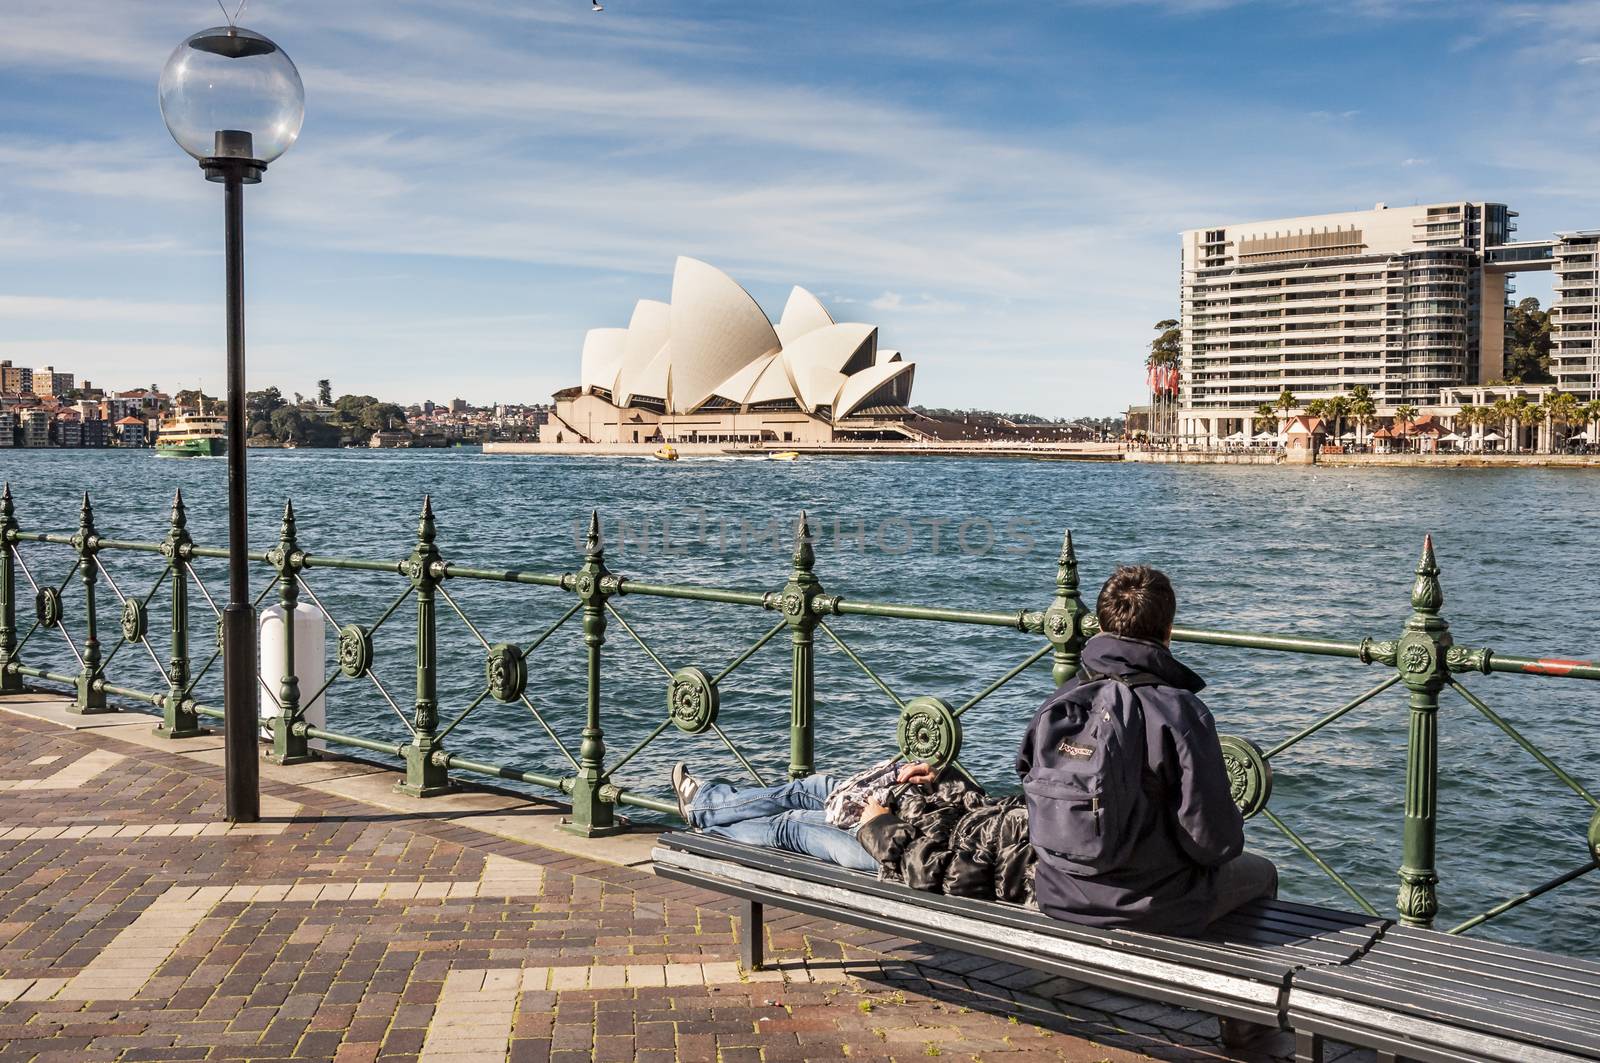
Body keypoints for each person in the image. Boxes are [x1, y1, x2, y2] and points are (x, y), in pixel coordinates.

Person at [1017, 564, 1277, 935]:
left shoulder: (1060, 701)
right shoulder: (1179, 711)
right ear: (1168, 632)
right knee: (1263, 873)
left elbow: (1025, 778)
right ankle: (1221, 985)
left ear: (1101, 626)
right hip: (1152, 905)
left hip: (1057, 893)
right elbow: (1214, 842)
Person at [671, 760, 1035, 904]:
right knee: (817, 787)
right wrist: (943, 780)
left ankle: (707, 818)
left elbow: (948, 876)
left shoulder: (1040, 857)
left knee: (792, 824)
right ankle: (707, 806)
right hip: (922, 826)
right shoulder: (1059, 815)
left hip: (892, 855)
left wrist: (880, 825)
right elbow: (987, 812)